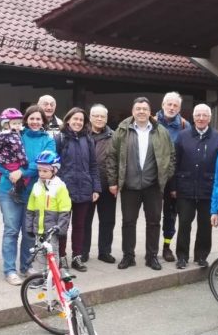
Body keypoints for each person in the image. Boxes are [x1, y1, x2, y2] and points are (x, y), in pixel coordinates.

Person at [107, 97, 175, 271]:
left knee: (154, 222)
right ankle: (128, 256)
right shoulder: (122, 130)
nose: (141, 112)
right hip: (129, 186)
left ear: (149, 111)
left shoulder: (161, 131)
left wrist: (165, 177)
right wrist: (113, 181)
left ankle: (151, 256)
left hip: (153, 186)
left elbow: (171, 156)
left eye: (145, 109)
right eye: (138, 109)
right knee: (128, 222)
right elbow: (112, 156)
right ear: (133, 111)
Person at [0, 105, 55, 285]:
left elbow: (45, 162)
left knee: (29, 232)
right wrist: (11, 174)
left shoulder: (48, 140)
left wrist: (22, 172)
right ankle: (9, 270)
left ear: (43, 121)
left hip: (34, 191)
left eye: (39, 119)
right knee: (11, 230)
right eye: (32, 118)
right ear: (25, 120)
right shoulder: (14, 134)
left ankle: (25, 266)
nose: (35, 122)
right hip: (9, 189)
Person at [172, 104, 218, 269]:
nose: (201, 118)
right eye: (198, 115)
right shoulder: (182, 136)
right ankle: (182, 256)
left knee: (205, 225)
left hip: (208, 189)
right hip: (185, 188)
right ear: (193, 117)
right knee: (184, 223)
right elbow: (175, 162)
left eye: (204, 115)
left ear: (209, 118)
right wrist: (173, 186)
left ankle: (201, 256)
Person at [54, 107, 101, 272]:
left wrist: (96, 187)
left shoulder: (88, 140)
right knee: (62, 226)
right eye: (75, 119)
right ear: (68, 120)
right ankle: (61, 257)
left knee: (80, 225)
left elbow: (93, 166)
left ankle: (77, 257)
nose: (78, 122)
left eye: (81, 120)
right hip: (63, 190)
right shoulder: (59, 138)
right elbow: (54, 165)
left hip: (84, 189)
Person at [155, 92, 191, 263]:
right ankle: (152, 246)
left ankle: (166, 246)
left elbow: (188, 153)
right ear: (163, 105)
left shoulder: (185, 126)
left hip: (173, 178)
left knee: (170, 215)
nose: (171, 108)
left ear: (179, 108)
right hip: (153, 176)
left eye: (175, 105)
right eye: (169, 104)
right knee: (152, 214)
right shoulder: (151, 122)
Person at [82, 104, 117, 264]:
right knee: (85, 220)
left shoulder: (114, 136)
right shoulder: (82, 134)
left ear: (106, 118)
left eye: (102, 116)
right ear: (90, 117)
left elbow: (118, 161)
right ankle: (82, 252)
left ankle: (105, 251)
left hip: (107, 185)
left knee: (108, 220)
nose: (99, 119)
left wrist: (115, 182)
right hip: (87, 185)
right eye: (96, 115)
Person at [24, 150, 71, 252]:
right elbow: (30, 209)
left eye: (45, 171)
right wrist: (29, 227)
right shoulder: (36, 186)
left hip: (52, 232)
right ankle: (40, 269)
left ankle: (52, 269)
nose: (41, 174)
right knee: (39, 254)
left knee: (52, 254)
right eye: (39, 170)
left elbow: (65, 211)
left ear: (54, 170)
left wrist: (60, 228)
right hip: (38, 231)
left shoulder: (60, 187)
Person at [0, 108, 28, 204]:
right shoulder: (14, 136)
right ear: (6, 124)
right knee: (23, 177)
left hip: (2, 161)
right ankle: (15, 191)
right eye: (14, 123)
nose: (17, 126)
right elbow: (20, 150)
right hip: (12, 161)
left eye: (19, 123)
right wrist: (24, 162)